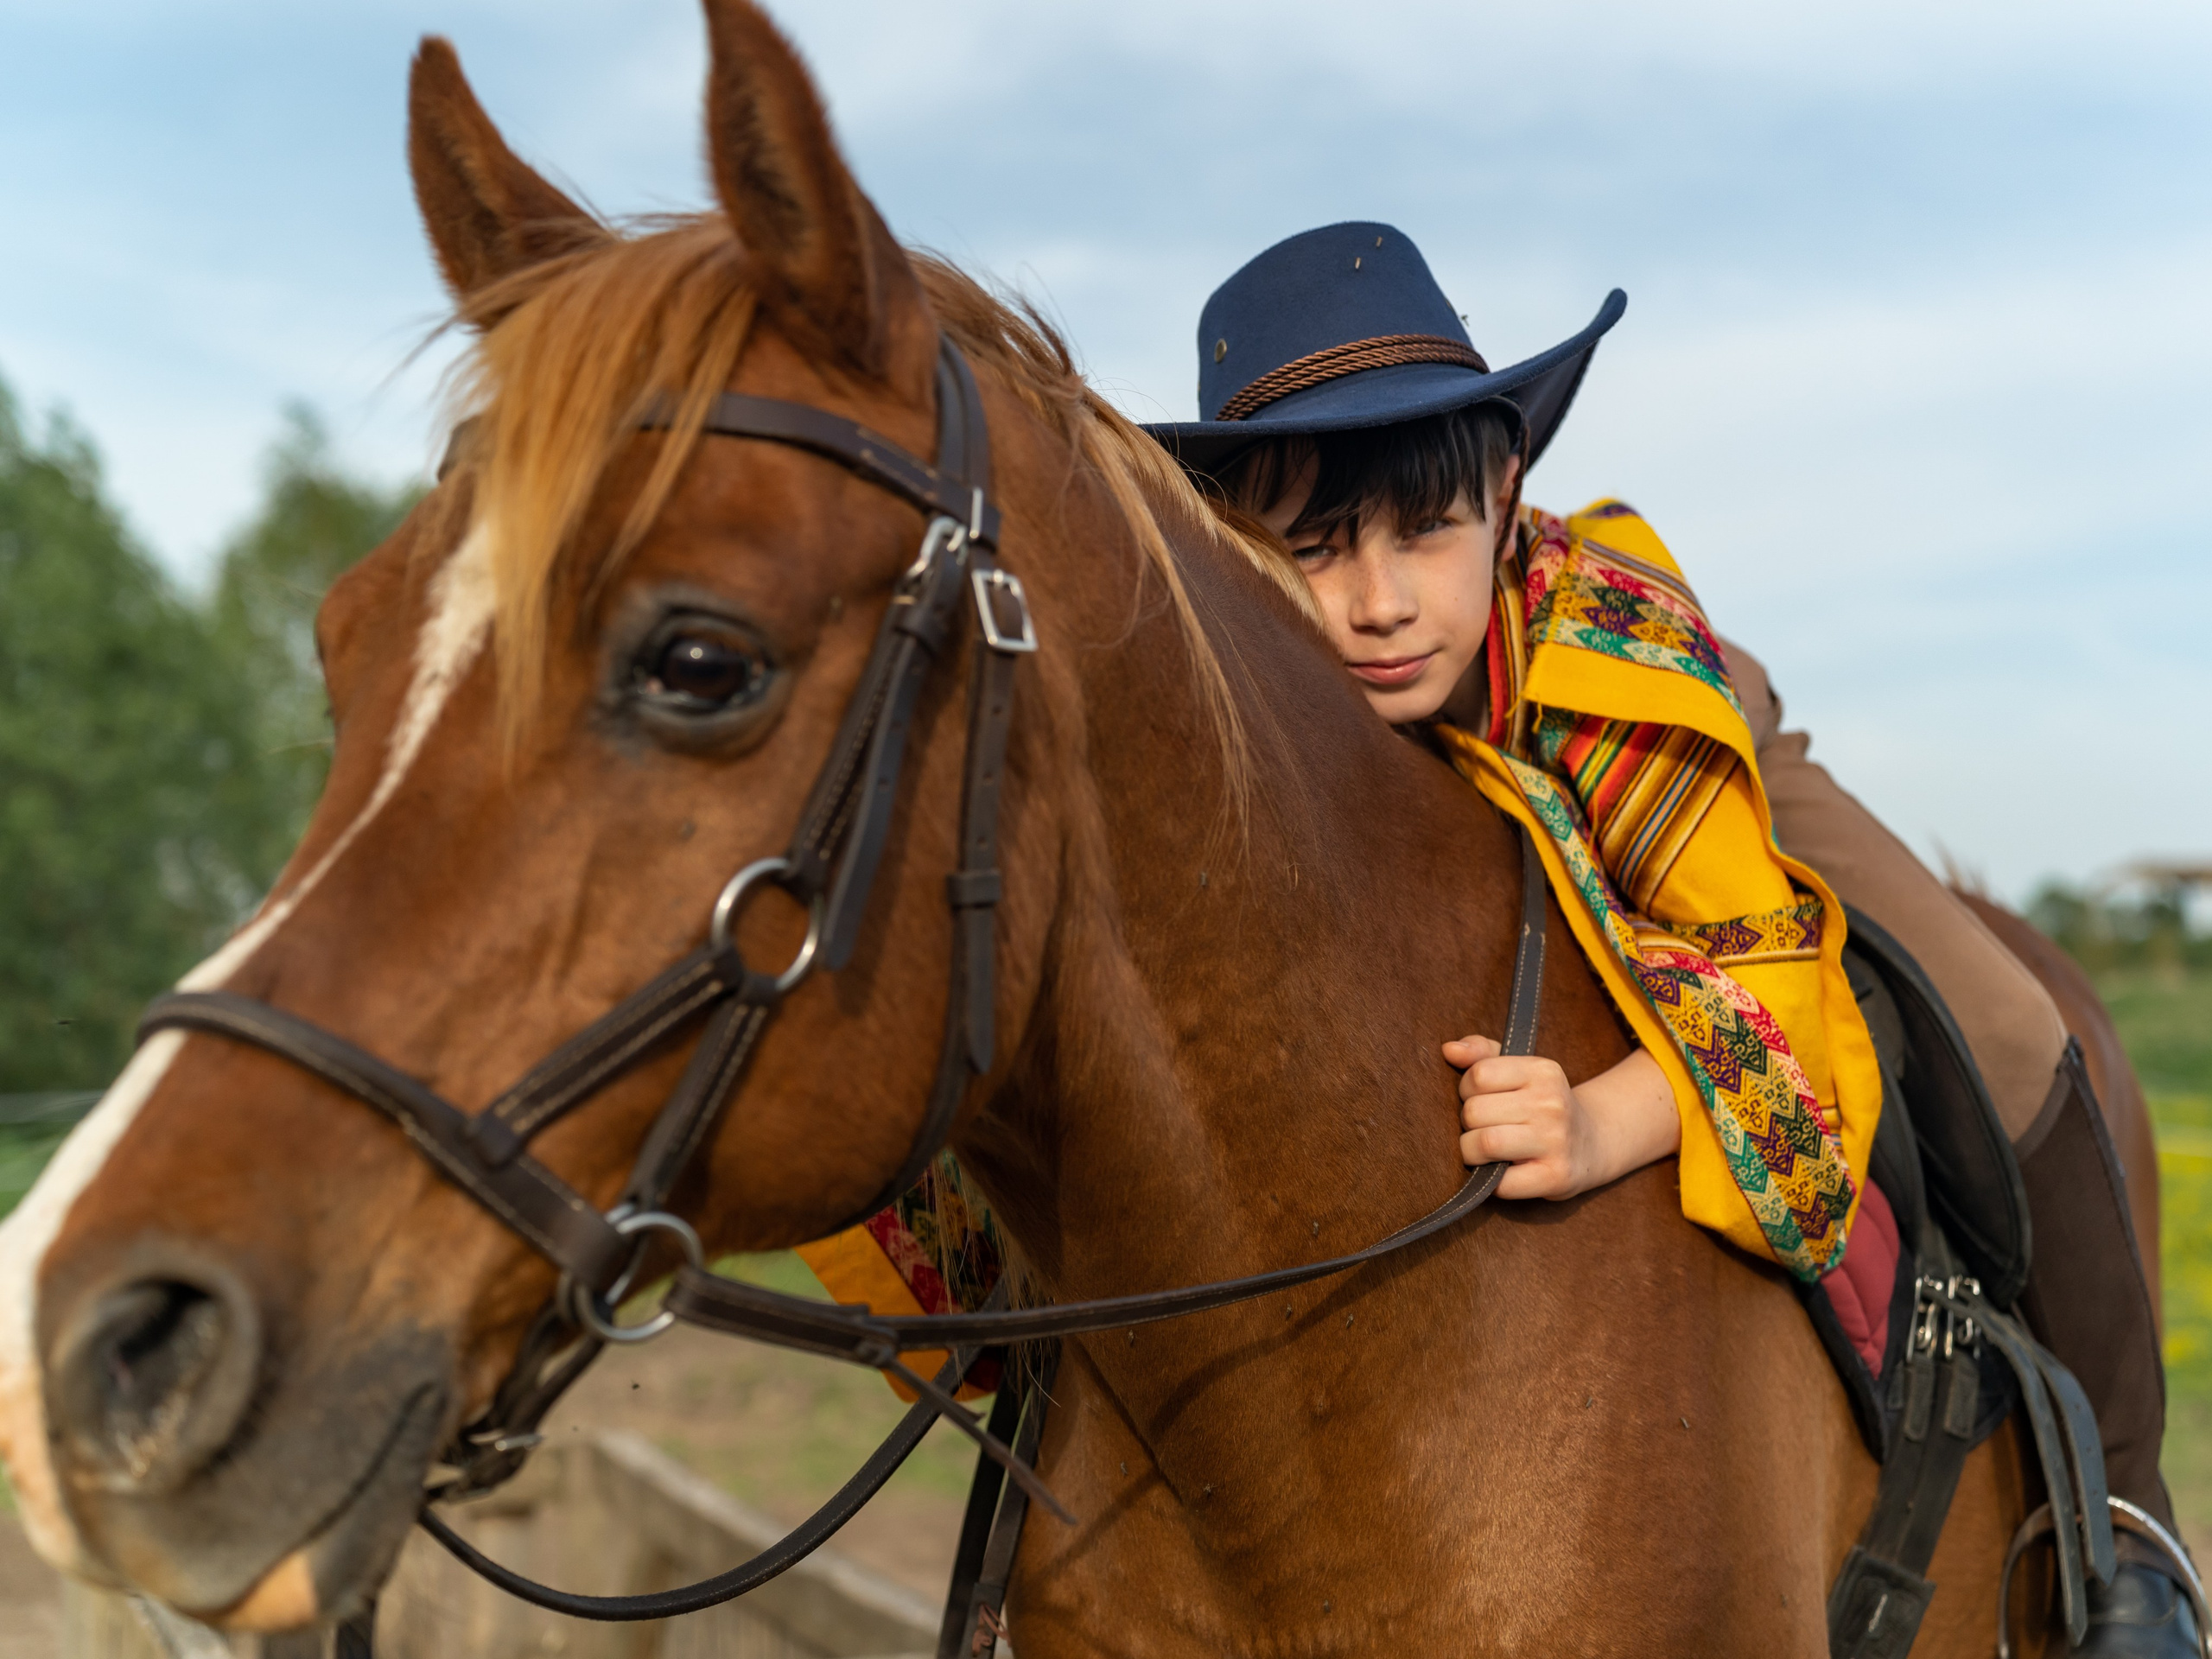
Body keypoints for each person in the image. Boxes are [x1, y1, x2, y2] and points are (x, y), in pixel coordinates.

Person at [1144, 220, 2193, 1656]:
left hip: (1692, 769)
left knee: (2010, 1027)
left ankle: (2131, 1528)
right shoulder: (1251, 696)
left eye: (1425, 534)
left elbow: (1767, 969)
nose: (1377, 602)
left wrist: (1599, 1122)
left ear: (1506, 496)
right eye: (1311, 549)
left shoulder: (1600, 660)